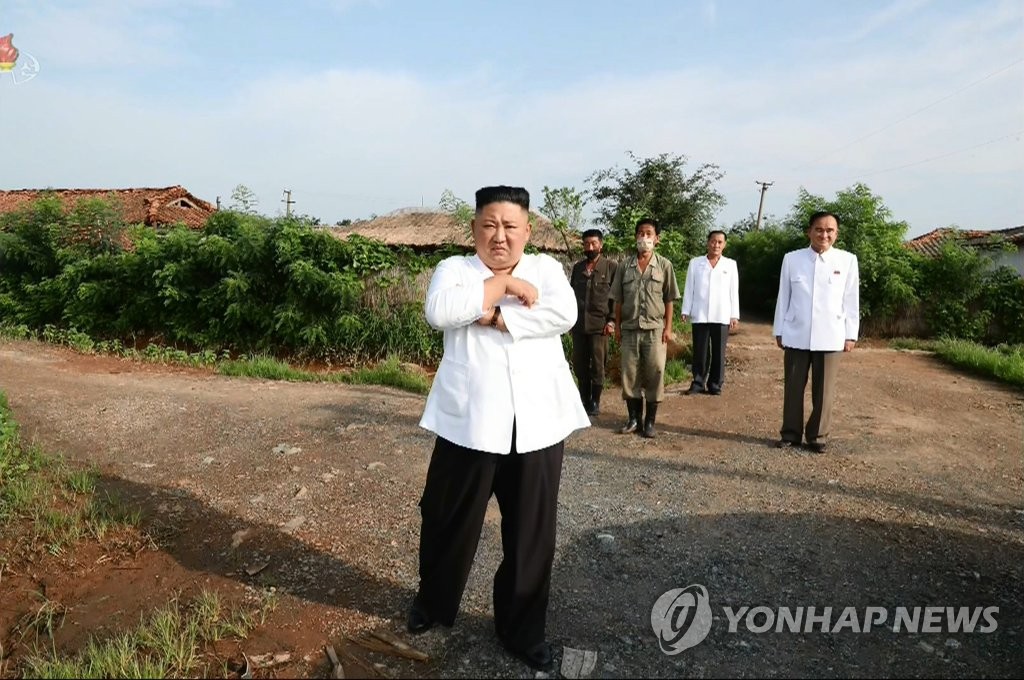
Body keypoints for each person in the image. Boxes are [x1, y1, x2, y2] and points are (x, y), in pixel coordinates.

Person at [411, 186, 590, 672]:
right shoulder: (454, 269)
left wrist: (493, 319)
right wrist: (505, 290)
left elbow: (564, 314)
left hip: (537, 424)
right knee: (447, 519)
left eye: (511, 226)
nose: (500, 236)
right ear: (474, 229)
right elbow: (439, 312)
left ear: (528, 232)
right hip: (469, 421)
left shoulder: (548, 270)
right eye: (489, 225)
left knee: (532, 533)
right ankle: (432, 604)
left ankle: (521, 630)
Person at [772, 210, 860, 454]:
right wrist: (779, 329)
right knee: (792, 387)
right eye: (819, 229)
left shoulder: (847, 260)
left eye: (830, 230)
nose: (824, 234)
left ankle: (818, 436)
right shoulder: (792, 259)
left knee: (824, 391)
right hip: (796, 333)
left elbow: (851, 300)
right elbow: (784, 296)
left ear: (837, 234)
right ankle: (790, 433)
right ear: (809, 231)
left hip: (831, 334)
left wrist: (850, 334)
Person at [610, 218, 681, 439]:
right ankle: (633, 420)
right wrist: (618, 327)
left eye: (649, 234)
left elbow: (669, 299)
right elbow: (618, 300)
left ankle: (649, 423)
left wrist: (668, 328)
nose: (644, 238)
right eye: (641, 233)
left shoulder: (664, 266)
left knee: (655, 373)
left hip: (655, 330)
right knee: (629, 374)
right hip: (630, 329)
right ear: (635, 237)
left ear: (657, 239)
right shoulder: (624, 266)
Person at [681, 230, 740, 396]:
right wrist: (686, 309)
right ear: (708, 242)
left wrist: (734, 314)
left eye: (720, 242)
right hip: (700, 313)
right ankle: (698, 382)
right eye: (713, 241)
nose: (716, 245)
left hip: (722, 314)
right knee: (700, 350)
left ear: (724, 245)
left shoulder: (730, 264)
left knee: (719, 352)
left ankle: (715, 384)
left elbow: (733, 291)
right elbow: (689, 287)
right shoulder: (696, 263)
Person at [569, 228, 618, 416]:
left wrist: (612, 321)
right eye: (586, 244)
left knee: (598, 366)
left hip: (600, 326)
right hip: (579, 325)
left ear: (601, 245)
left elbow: (615, 298)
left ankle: (595, 402)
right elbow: (571, 295)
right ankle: (584, 400)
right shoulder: (578, 268)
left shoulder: (610, 267)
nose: (590, 247)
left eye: (594, 244)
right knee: (580, 366)